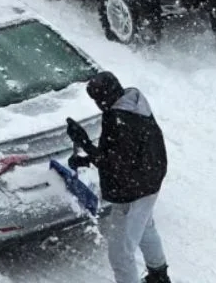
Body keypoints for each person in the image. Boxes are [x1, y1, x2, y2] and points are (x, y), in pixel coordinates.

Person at [69, 71, 171, 283]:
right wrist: (87, 159)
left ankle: (156, 277)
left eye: (98, 99)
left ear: (105, 97)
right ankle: (159, 276)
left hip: (132, 191)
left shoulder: (119, 119)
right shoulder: (134, 104)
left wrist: (86, 144)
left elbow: (116, 164)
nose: (97, 104)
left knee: (120, 255)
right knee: (144, 227)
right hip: (149, 180)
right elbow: (121, 155)